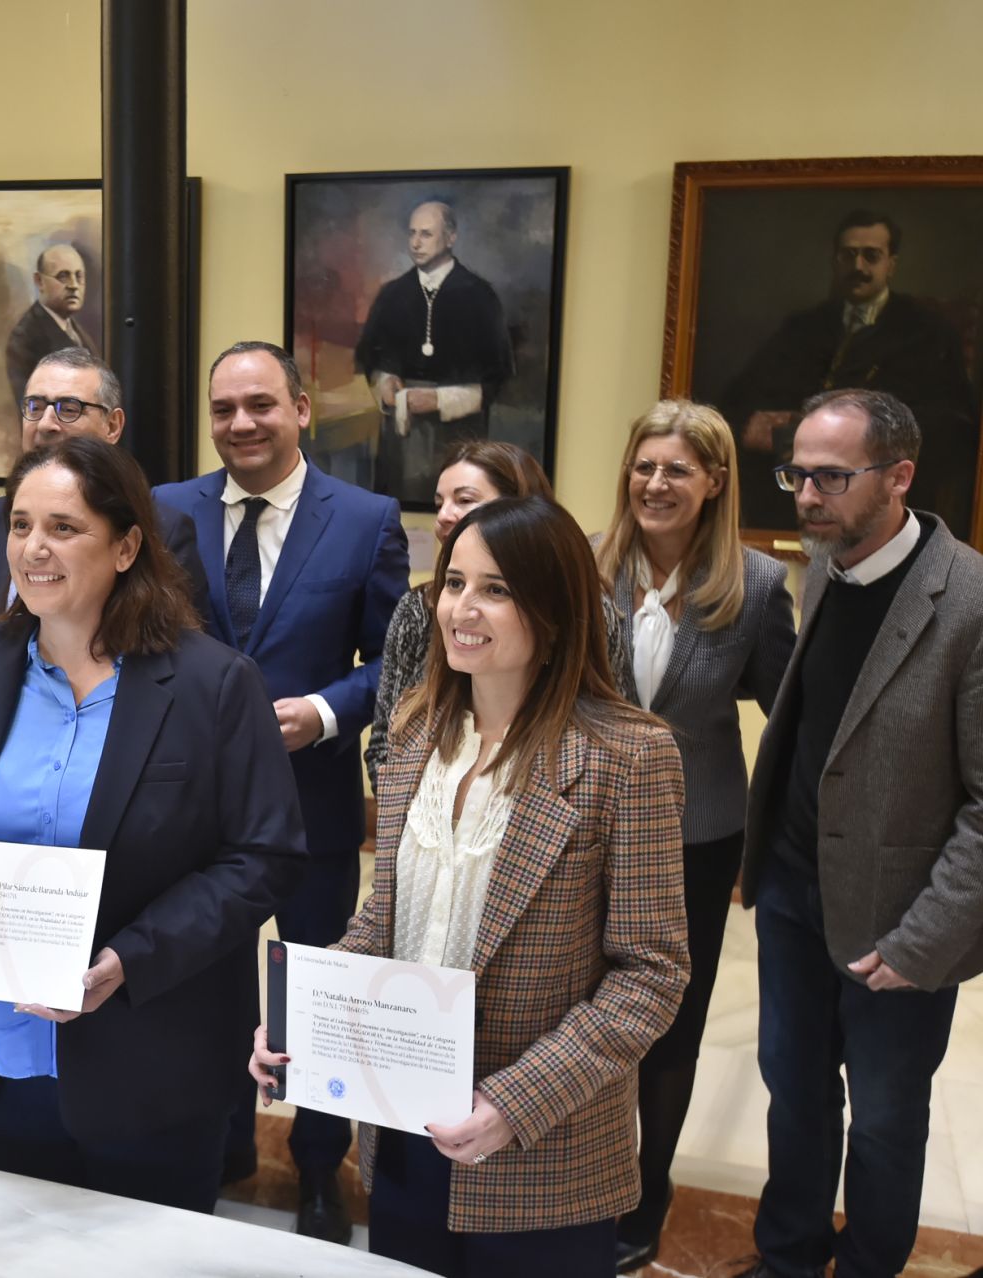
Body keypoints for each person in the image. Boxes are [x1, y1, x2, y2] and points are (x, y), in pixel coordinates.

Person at [251, 495, 689, 1278]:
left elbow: (651, 975)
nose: (462, 608)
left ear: (553, 611)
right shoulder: (419, 732)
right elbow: (384, 918)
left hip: (539, 1151)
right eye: (454, 583)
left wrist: (513, 1105)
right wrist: (301, 1017)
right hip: (405, 1127)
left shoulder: (630, 756)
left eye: (496, 589)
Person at [0, 435, 303, 1212]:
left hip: (153, 1055)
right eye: (20, 526)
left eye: (64, 527)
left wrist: (128, 958)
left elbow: (263, 856)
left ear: (126, 546)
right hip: (13, 1053)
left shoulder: (212, 682)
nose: (33, 548)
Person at [151, 339, 406, 1241]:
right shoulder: (163, 508)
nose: (241, 424)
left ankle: (316, 1168)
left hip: (314, 805)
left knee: (314, 990)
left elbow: (394, 664)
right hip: (189, 811)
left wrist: (328, 714)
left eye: (260, 405)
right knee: (207, 981)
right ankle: (220, 1139)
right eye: (224, 409)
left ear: (301, 409)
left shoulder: (366, 519)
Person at [736, 388, 983, 1278]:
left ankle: (871, 1263)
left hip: (901, 922)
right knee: (794, 1094)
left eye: (831, 476)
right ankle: (788, 1255)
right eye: (796, 472)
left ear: (900, 477)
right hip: (793, 897)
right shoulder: (824, 564)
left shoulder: (971, 602)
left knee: (883, 1116)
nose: (805, 493)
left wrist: (926, 941)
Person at [592, 401, 798, 1272]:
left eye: (677, 469)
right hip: (587, 828)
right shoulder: (584, 568)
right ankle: (581, 1180)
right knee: (583, 1015)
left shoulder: (754, 586)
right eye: (644, 465)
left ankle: (647, 1195)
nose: (656, 483)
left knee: (670, 1028)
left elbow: (790, 712)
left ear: (715, 482)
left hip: (697, 837)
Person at [367, 440, 635, 791]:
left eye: (464, 500)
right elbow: (386, 741)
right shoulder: (419, 611)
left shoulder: (586, 609)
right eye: (454, 583)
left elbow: (604, 723)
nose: (445, 514)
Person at [0, 347, 210, 683]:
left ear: (113, 425)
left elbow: (178, 662)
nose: (47, 424)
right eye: (35, 406)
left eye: (69, 408)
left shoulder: (163, 528)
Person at [723, 211, 978, 534]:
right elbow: (736, 400)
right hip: (787, 498)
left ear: (891, 265)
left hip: (879, 503)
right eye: (849, 255)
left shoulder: (928, 333)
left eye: (871, 256)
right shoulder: (802, 327)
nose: (858, 267)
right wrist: (753, 424)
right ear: (835, 261)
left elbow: (955, 425)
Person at [356, 201, 515, 506]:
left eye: (426, 234)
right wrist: (384, 382)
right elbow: (374, 359)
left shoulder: (479, 296)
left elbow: (497, 379)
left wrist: (438, 400)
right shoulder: (392, 294)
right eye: (412, 233)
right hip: (400, 436)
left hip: (457, 433)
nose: (416, 242)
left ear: (451, 237)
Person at [4, 243, 99, 406]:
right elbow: (32, 413)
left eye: (79, 276)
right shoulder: (25, 339)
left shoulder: (76, 331)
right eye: (63, 276)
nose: (74, 285)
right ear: (39, 281)